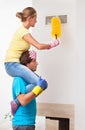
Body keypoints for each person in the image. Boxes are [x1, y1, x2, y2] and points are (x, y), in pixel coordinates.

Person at [4, 7, 59, 88]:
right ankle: (18, 100)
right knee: (40, 83)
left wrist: (29, 54)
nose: (36, 21)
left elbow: (19, 49)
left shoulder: (23, 31)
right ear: (30, 18)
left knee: (40, 84)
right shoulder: (23, 31)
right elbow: (39, 46)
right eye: (35, 18)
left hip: (15, 64)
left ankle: (17, 100)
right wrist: (51, 45)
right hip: (12, 65)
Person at [11, 50, 48, 130]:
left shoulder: (29, 81)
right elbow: (23, 101)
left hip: (28, 123)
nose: (37, 63)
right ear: (27, 64)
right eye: (34, 61)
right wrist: (38, 88)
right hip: (22, 124)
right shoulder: (19, 79)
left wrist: (40, 88)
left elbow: (32, 95)